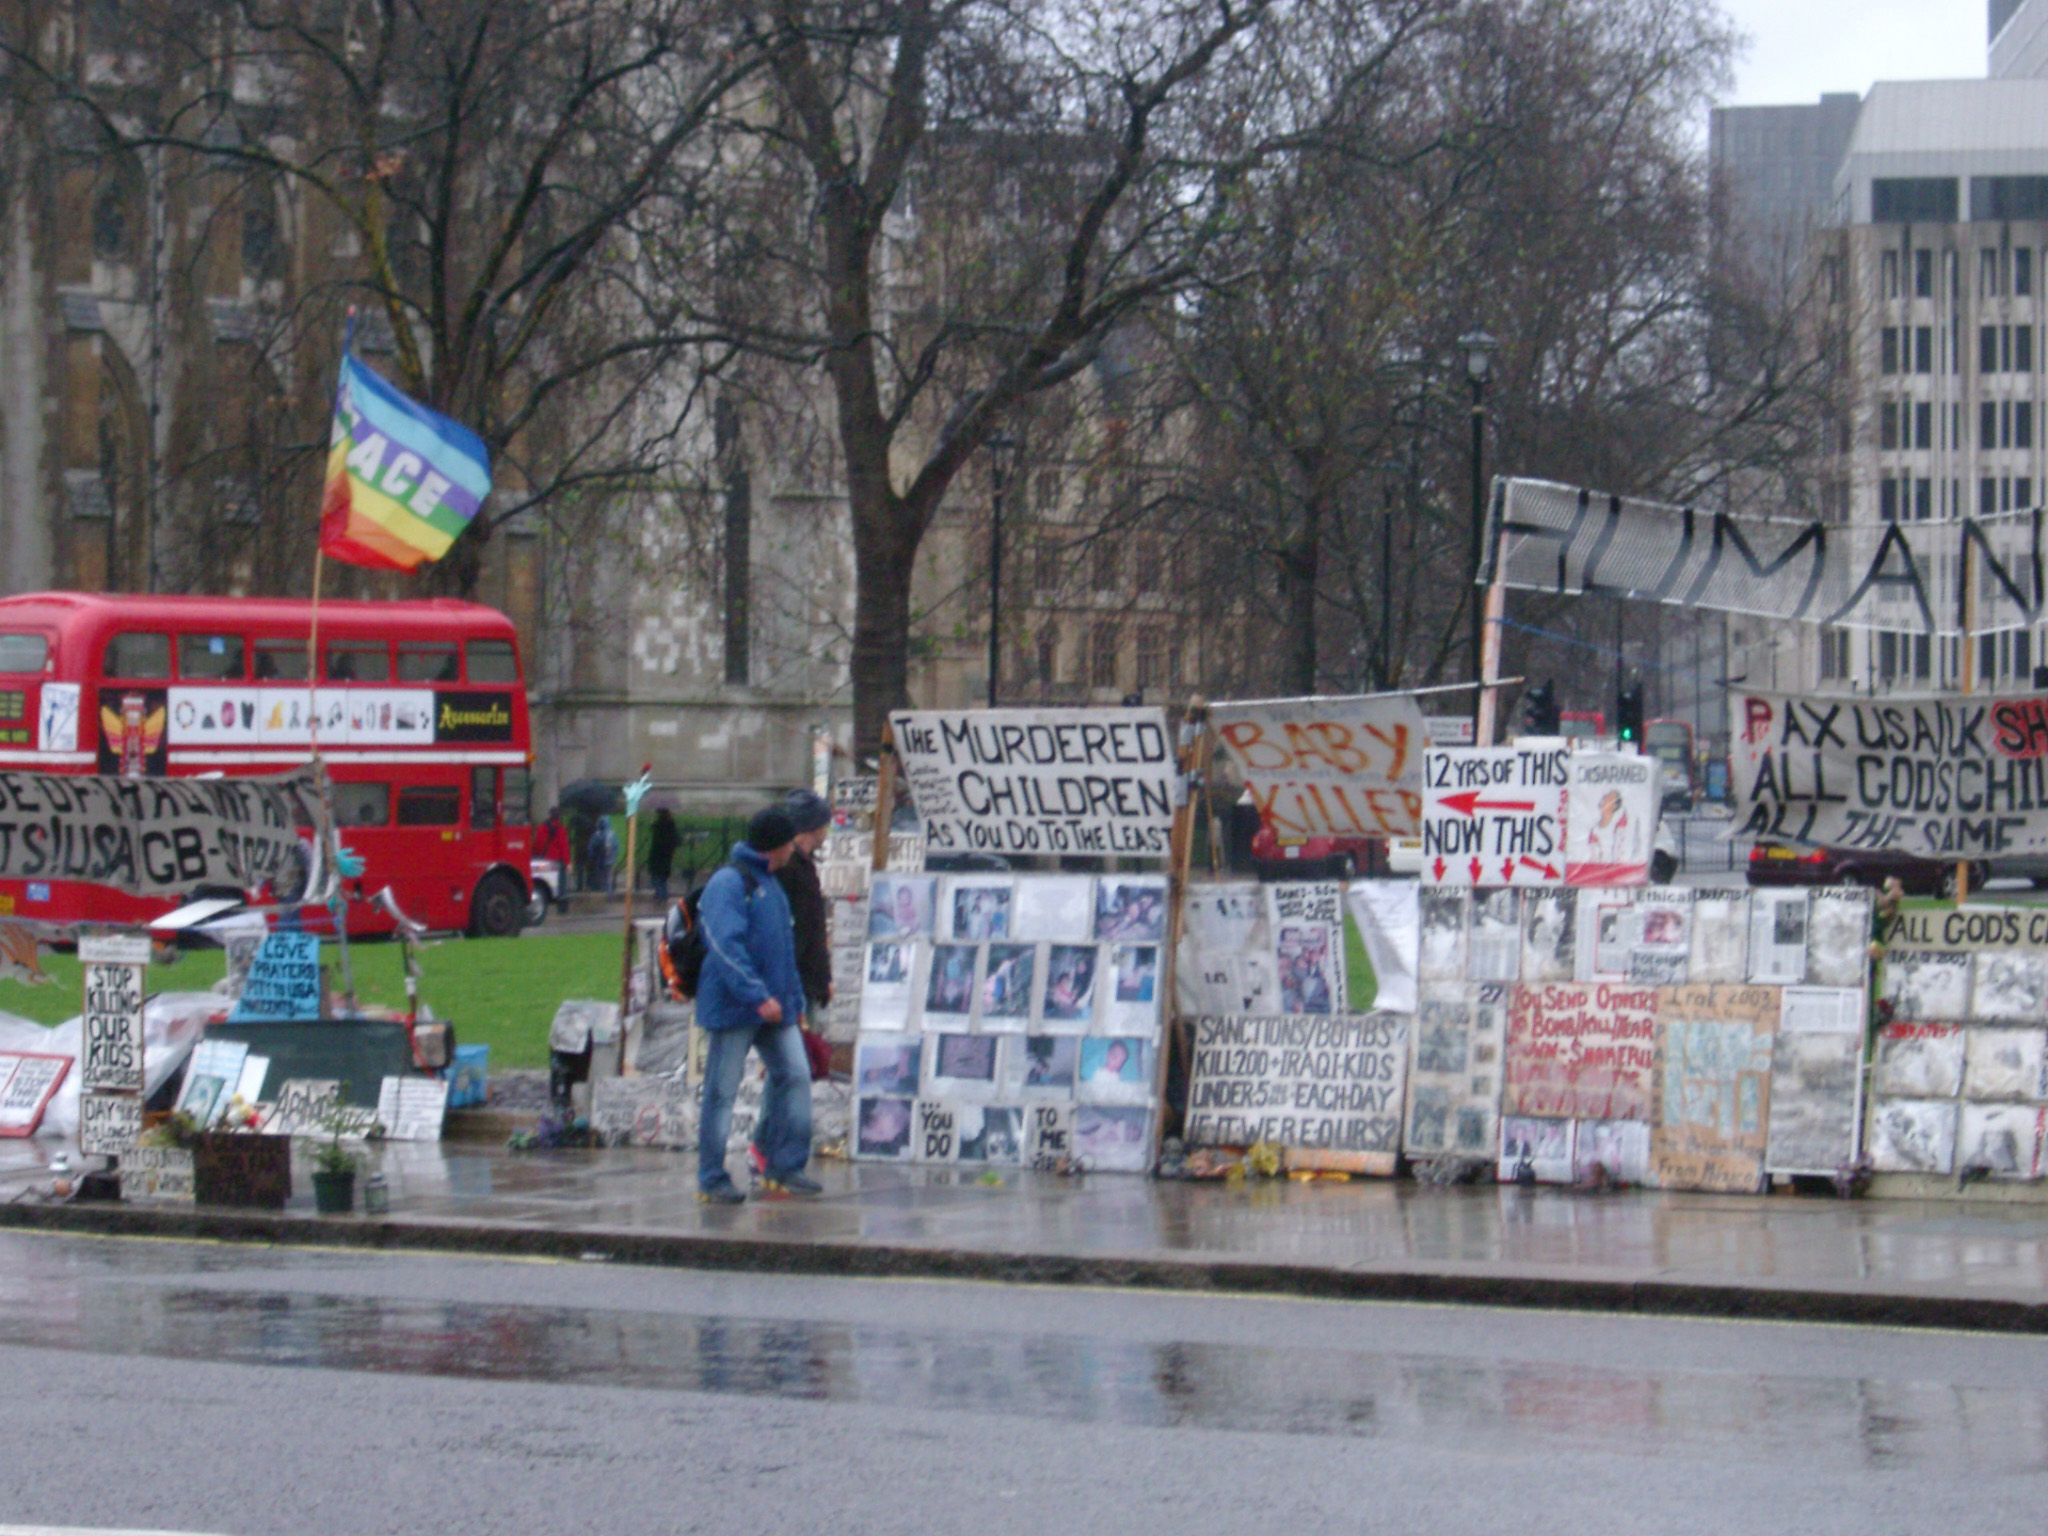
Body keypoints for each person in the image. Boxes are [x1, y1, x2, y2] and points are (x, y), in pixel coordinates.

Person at [695, 806, 819, 1202]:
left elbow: (783, 953)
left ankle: (784, 1164)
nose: (792, 851)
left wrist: (792, 1001)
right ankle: (711, 1177)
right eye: (787, 844)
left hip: (775, 1007)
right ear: (776, 847)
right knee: (721, 1092)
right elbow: (723, 944)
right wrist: (757, 995)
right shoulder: (729, 883)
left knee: (796, 1076)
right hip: (737, 1008)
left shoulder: (772, 885)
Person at [535, 807, 571, 915]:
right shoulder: (561, 829)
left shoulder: (542, 827)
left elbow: (538, 844)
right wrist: (567, 862)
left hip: (545, 860)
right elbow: (564, 846)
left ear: (549, 815)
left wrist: (536, 856)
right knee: (561, 886)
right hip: (558, 862)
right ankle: (561, 908)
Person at [646, 806, 680, 904]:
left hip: (657, 856)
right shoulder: (671, 825)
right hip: (667, 857)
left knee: (656, 879)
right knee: (662, 879)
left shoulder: (659, 826)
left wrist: (652, 824)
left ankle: (660, 897)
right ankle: (662, 896)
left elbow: (657, 839)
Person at [588, 814, 620, 896]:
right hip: (609, 859)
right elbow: (616, 847)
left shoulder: (596, 834)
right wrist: (614, 857)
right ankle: (608, 891)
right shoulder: (612, 834)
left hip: (599, 858)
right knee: (608, 875)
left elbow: (591, 846)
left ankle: (600, 890)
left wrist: (591, 857)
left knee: (600, 875)